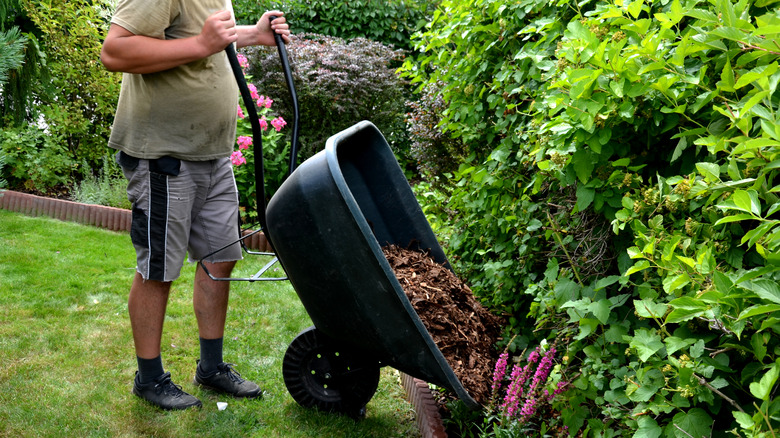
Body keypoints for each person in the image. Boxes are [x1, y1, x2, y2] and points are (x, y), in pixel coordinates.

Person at [100, 0, 290, 410]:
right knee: (159, 268)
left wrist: (250, 36)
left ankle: (211, 367)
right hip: (165, 154)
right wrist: (203, 44)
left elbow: (201, 39)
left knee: (219, 259)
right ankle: (149, 378)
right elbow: (114, 52)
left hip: (211, 154)